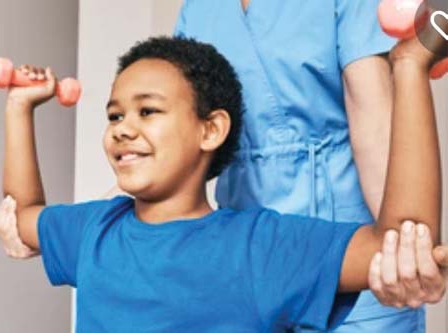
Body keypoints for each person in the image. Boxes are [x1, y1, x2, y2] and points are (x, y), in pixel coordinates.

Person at [0, 27, 446, 332]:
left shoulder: (258, 249)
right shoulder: (94, 230)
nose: (122, 128)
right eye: (115, 115)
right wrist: (20, 107)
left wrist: (408, 68)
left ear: (210, 129)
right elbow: (21, 216)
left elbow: (403, 241)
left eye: (147, 111)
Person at [171, 1, 444, 331]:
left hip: (350, 252)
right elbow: (176, 149)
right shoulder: (199, 10)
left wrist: (407, 246)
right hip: (248, 263)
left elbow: (375, 130)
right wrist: (106, 223)